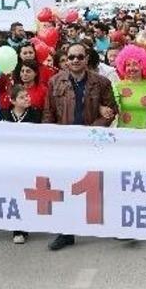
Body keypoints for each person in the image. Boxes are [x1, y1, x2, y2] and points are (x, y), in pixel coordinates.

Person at [43, 43, 117, 251]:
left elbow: (112, 109)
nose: (75, 60)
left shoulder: (101, 82)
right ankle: (65, 232)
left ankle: (111, 226)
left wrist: (92, 131)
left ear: (87, 59)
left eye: (80, 57)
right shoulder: (55, 82)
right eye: (71, 57)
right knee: (65, 186)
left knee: (100, 184)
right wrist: (50, 137)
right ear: (66, 59)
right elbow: (48, 113)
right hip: (65, 145)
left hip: (92, 143)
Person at [0, 84, 41, 245]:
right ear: (13, 100)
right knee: (12, 193)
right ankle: (16, 227)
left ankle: (23, 227)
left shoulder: (35, 115)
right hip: (9, 160)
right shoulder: (3, 114)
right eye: (22, 97)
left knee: (26, 193)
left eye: (28, 96)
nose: (27, 99)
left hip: (28, 160)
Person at [112, 45, 146, 129]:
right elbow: (110, 107)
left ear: (143, 65)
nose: (131, 68)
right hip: (124, 133)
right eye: (128, 65)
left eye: (135, 64)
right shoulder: (118, 86)